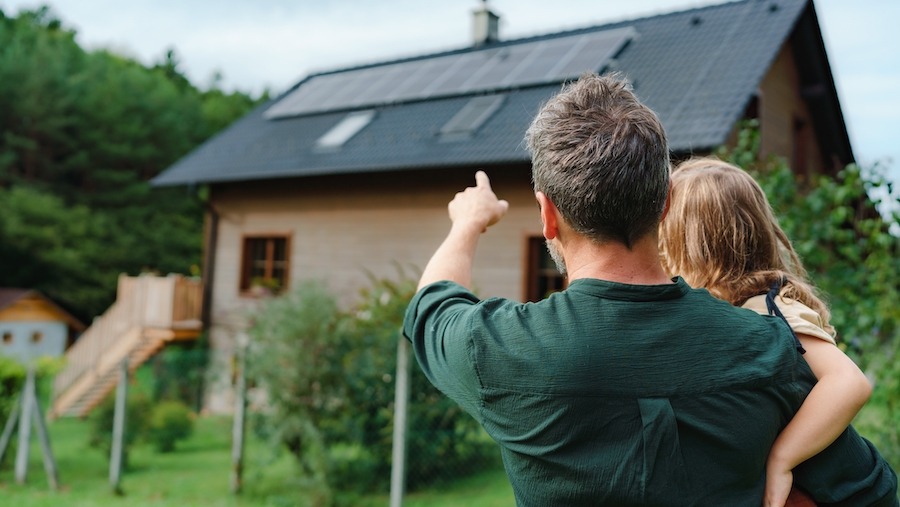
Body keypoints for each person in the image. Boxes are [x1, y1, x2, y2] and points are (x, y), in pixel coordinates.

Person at [402, 73, 898, 506]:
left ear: (548, 215)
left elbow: (433, 302)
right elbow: (871, 491)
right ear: (663, 204)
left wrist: (468, 223)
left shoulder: (497, 349)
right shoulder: (767, 346)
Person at [658, 157, 875, 506]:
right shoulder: (730, 310)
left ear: (688, 245)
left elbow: (849, 383)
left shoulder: (771, 309)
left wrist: (782, 460)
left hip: (847, 493)